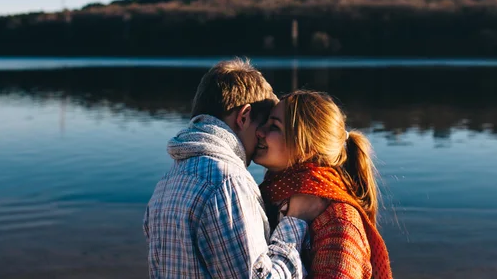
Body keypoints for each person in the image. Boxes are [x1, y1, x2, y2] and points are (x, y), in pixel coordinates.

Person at [143, 59, 328, 278]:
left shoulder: (166, 183)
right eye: (264, 123)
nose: (262, 135)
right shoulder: (227, 183)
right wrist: (295, 222)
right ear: (243, 117)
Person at [254, 90, 393, 279]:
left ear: (307, 148)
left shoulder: (339, 221)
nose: (260, 131)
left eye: (274, 126)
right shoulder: (274, 195)